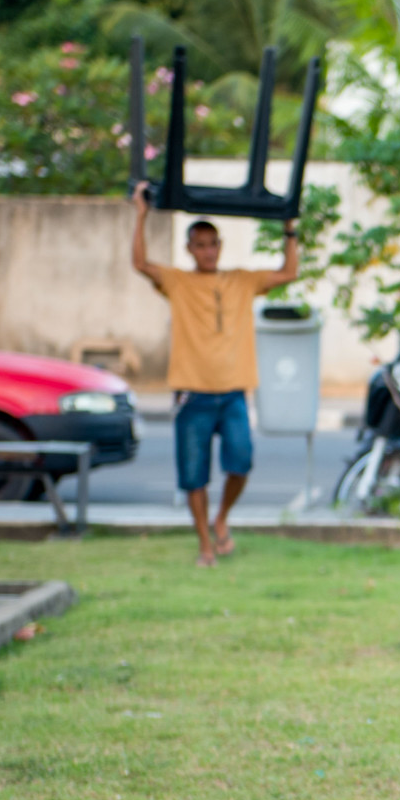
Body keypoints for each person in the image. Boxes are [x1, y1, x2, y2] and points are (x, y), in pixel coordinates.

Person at [131, 183, 299, 566]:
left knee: (241, 462)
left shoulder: (242, 279)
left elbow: (289, 271)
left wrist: (289, 227)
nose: (207, 251)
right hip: (193, 395)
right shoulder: (178, 281)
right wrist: (140, 215)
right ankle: (205, 545)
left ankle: (221, 516)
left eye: (213, 244)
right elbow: (141, 264)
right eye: (200, 244)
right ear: (190, 249)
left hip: (234, 393)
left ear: (220, 246)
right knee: (194, 476)